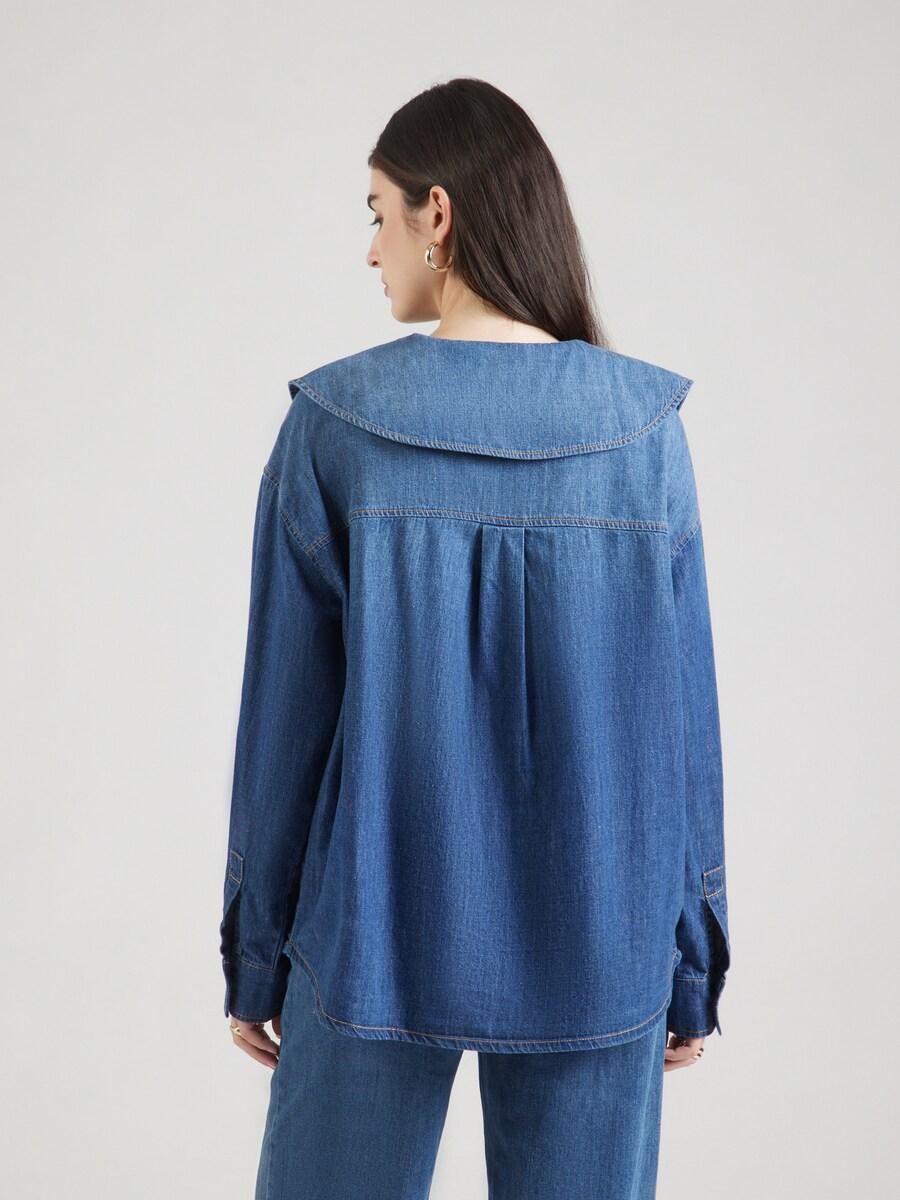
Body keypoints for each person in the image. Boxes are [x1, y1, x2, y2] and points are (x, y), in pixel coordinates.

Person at [218, 77, 730, 1200]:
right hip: (601, 930)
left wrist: (257, 951)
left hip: (369, 934)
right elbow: (681, 730)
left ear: (436, 214)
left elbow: (283, 726)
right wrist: (691, 958)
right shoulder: (645, 437)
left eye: (377, 213)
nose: (371, 250)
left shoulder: (334, 428)